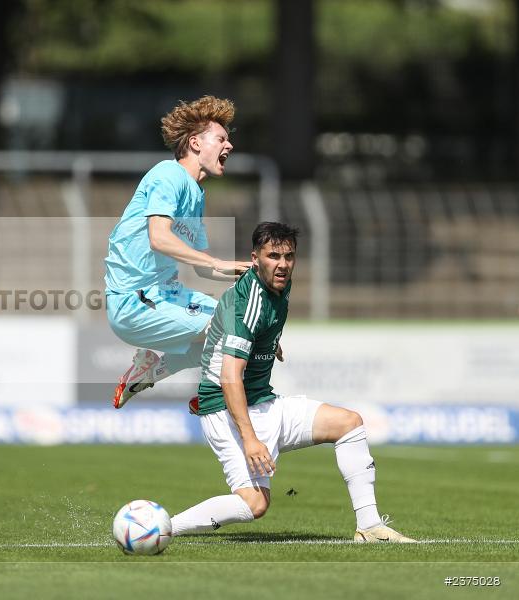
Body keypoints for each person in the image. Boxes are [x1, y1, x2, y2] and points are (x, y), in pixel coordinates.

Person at [171, 222, 415, 543]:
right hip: (227, 410)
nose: (283, 264)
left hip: (263, 402)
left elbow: (256, 326)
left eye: (289, 256)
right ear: (255, 259)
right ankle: (163, 526)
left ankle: (369, 527)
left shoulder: (278, 284)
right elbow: (230, 376)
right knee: (255, 504)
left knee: (349, 424)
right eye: (273, 256)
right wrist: (250, 440)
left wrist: (269, 342)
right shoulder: (248, 303)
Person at [104, 95, 251, 409]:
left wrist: (246, 273)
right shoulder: (168, 175)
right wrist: (217, 262)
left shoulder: (196, 193)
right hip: (134, 302)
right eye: (221, 139)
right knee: (230, 331)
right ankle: (213, 396)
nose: (229, 145)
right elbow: (159, 238)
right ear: (195, 143)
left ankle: (148, 372)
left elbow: (203, 267)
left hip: (168, 295)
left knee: (245, 335)